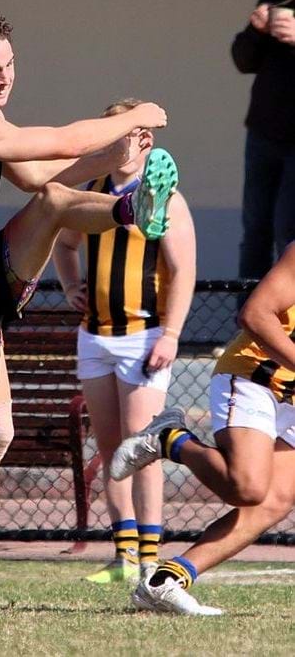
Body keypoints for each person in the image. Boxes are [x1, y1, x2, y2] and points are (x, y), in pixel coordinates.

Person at [0, 11, 175, 618]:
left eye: (9, 65)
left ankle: (131, 210)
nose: (2, 79)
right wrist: (133, 116)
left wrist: (112, 153)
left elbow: (39, 178)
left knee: (53, 201)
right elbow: (61, 141)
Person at [52, 101, 197, 584]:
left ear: (145, 141)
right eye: (111, 135)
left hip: (145, 337)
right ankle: (123, 555)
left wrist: (172, 334)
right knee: (111, 447)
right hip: (95, 335)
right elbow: (65, 242)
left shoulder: (166, 198)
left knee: (143, 447)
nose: (118, 144)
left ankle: (152, 557)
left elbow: (182, 271)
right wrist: (71, 284)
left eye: (128, 135)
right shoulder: (90, 193)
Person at [110, 241, 295, 616]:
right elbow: (255, 314)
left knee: (274, 501)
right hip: (254, 376)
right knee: (247, 487)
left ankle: (165, 582)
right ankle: (170, 439)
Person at [232, 0, 295, 281]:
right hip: (264, 134)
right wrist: (256, 30)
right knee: (255, 232)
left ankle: (286, 325)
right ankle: (247, 328)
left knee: (289, 233)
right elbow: (243, 60)